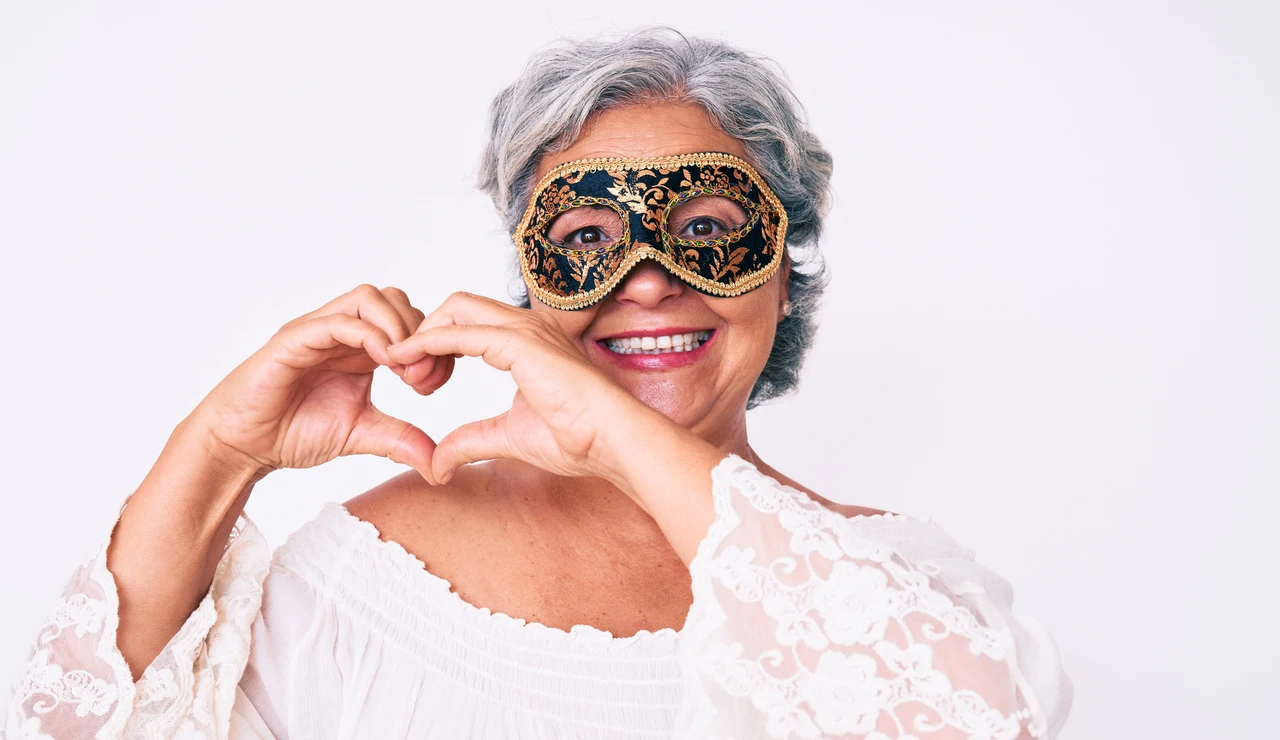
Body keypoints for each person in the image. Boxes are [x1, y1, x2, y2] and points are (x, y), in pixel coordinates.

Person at [3, 27, 1073, 740]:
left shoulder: (896, 598)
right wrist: (218, 447)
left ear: (780, 280)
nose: (646, 282)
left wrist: (616, 434)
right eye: (587, 238)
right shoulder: (363, 581)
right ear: (534, 286)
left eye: (705, 229)